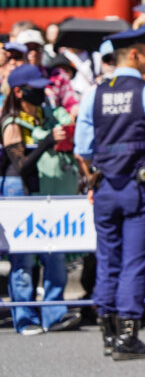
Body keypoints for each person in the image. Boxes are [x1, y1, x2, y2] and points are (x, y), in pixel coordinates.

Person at [73, 27, 145, 360]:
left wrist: (91, 181)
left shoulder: (93, 94)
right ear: (135, 55)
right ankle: (128, 337)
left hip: (106, 187)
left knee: (108, 259)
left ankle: (108, 334)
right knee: (135, 263)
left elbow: (82, 149)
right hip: (141, 189)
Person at [1, 64, 82, 335]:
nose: (41, 93)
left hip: (46, 191)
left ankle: (54, 313)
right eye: (35, 89)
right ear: (19, 91)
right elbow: (21, 164)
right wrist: (47, 140)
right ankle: (24, 317)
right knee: (23, 259)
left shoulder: (44, 114)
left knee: (54, 251)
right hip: (19, 190)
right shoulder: (11, 122)